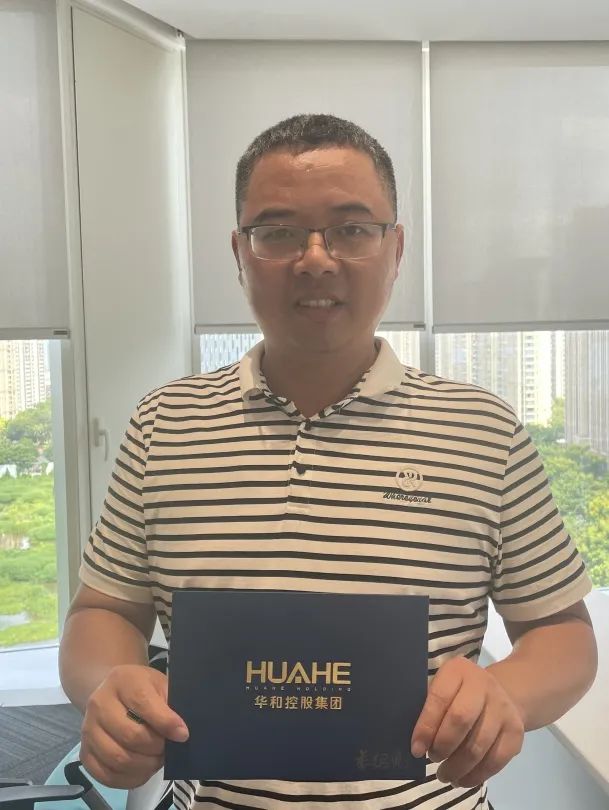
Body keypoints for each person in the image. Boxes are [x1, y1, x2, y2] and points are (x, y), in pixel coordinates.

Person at [59, 113, 598, 810]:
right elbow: (104, 611)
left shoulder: (481, 430)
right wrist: (108, 687)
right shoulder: (165, 423)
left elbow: (561, 633)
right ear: (239, 252)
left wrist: (504, 695)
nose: (315, 259)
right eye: (277, 232)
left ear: (395, 248)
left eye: (351, 228)